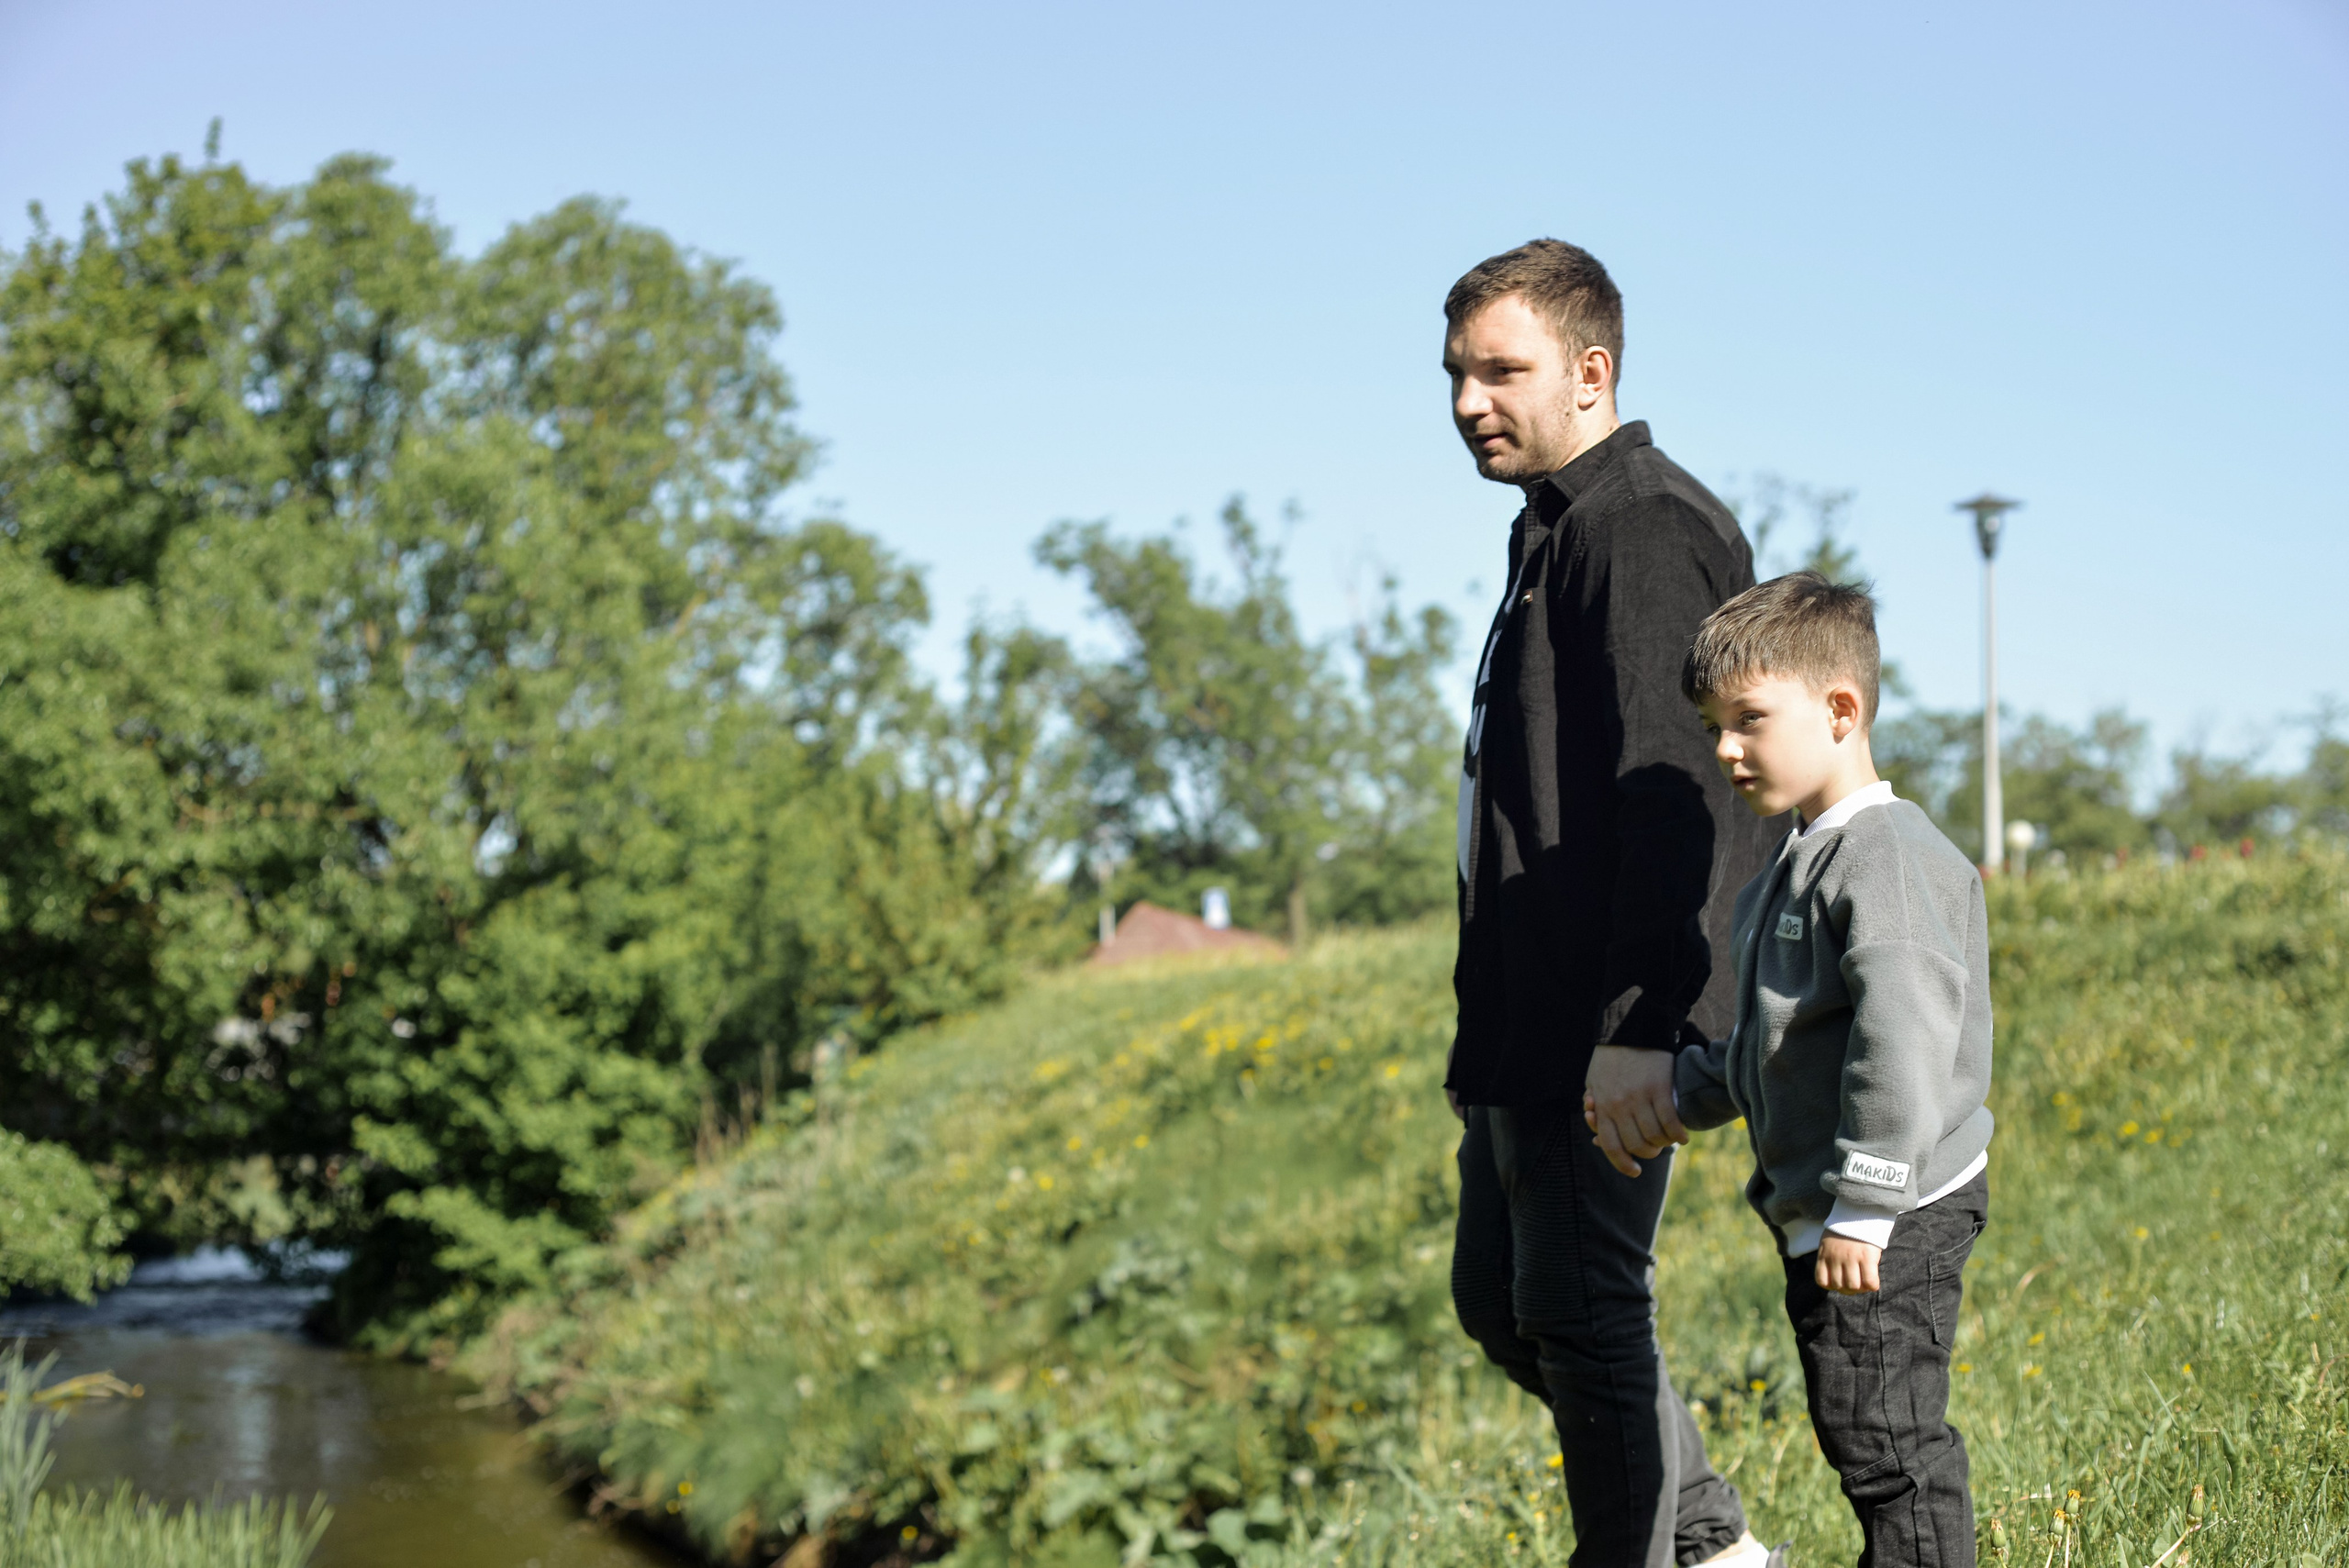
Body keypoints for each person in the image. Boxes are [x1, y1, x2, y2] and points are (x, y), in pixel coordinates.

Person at [1442, 239, 1781, 1568]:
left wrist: (1647, 1023)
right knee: (1506, 1302)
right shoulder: (1554, 529)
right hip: (1524, 1018)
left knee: (1584, 1314)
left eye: (1500, 370)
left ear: (1591, 372)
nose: (1469, 401)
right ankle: (1712, 1544)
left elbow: (1685, 793)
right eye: (1456, 374)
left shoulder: (1640, 527)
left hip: (1603, 1017)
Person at [1668, 573, 1994, 1566]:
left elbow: (1903, 1034)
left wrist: (1867, 1199)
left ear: (1840, 709)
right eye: (1714, 726)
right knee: (1859, 1428)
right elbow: (1778, 1043)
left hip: (1887, 1210)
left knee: (1890, 1443)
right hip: (1840, 1210)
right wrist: (1683, 1095)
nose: (1725, 748)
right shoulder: (1792, 866)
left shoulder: (1883, 856)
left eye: (1748, 719)